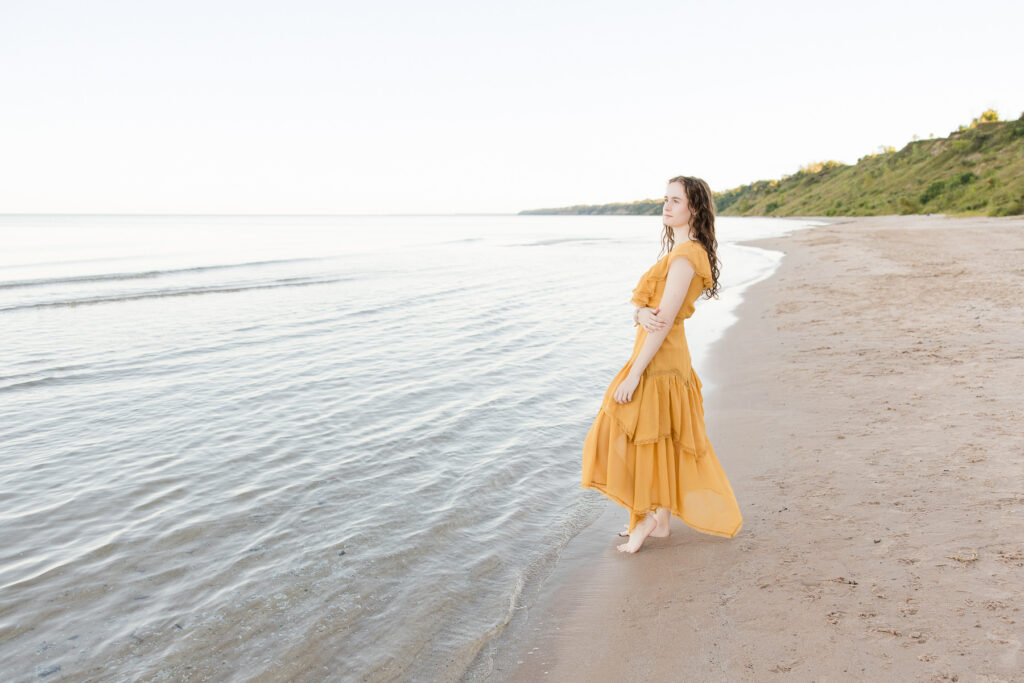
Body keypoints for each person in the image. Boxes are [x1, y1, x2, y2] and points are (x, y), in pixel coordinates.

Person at [580, 175, 743, 553]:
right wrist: (639, 314)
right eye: (664, 199)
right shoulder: (684, 251)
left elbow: (665, 319)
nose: (666, 207)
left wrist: (635, 373)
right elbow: (652, 313)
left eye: (675, 200)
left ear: (695, 209)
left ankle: (647, 515)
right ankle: (662, 523)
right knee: (662, 434)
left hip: (660, 358)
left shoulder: (686, 256)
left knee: (630, 430)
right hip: (667, 354)